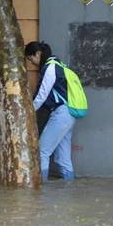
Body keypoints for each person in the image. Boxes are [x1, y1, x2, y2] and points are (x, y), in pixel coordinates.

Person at [25, 41, 76, 181]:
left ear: (38, 54)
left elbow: (42, 95)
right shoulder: (59, 65)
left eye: (31, 58)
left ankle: (40, 191)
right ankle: (69, 191)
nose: (31, 63)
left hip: (62, 113)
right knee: (63, 159)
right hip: (69, 114)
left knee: (42, 151)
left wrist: (29, 112)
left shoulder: (50, 67)